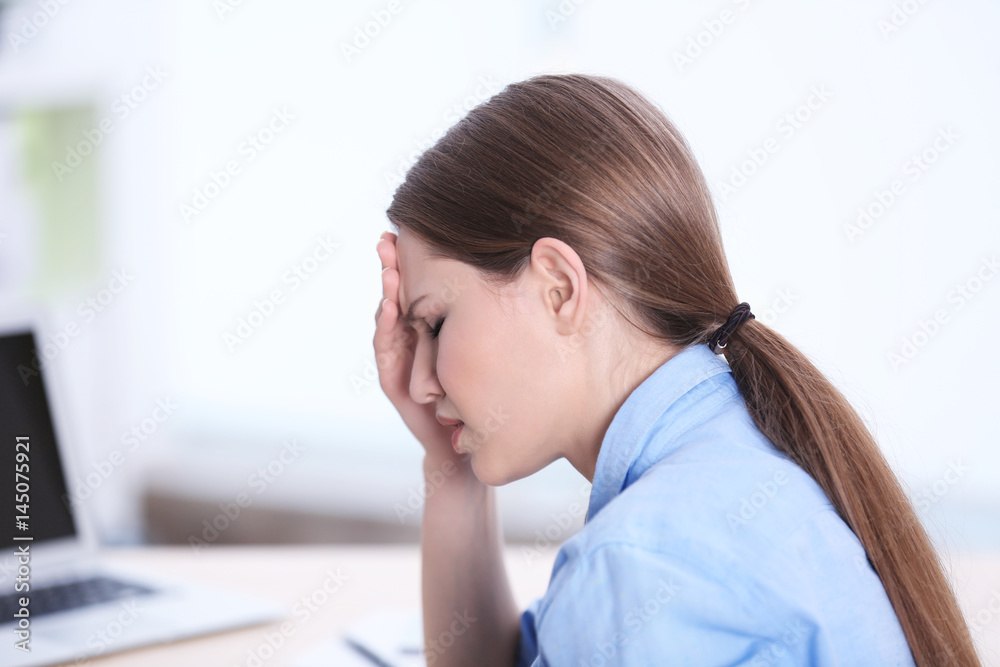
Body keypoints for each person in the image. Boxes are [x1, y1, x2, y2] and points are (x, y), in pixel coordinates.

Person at [372, 73, 980, 666]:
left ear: (559, 288)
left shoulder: (633, 568)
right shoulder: (744, 448)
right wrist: (449, 465)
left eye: (436, 323)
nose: (421, 382)